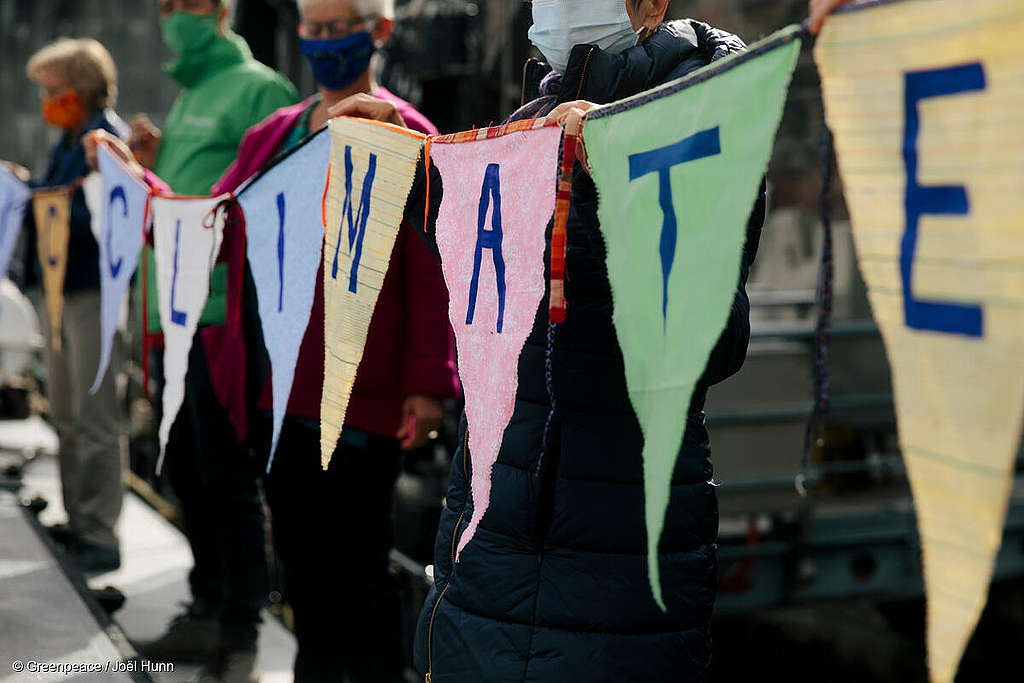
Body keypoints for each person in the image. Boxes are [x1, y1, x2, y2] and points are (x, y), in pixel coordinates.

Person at [333, 0, 764, 680]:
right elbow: (480, 245)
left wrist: (617, 176)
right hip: (489, 534)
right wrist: (409, 161)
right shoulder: (531, 119)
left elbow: (716, 335)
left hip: (612, 553)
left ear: (651, 5)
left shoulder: (702, 113)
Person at [212, 1, 458, 680]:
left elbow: (433, 268)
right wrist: (145, 191)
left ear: (379, 31)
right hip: (277, 385)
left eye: (337, 26)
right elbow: (219, 221)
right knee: (299, 560)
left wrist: (428, 381)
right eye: (312, 28)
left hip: (363, 394)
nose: (323, 42)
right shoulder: (273, 134)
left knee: (359, 567)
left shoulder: (408, 133)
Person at [128, 1, 298, 681]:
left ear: (222, 9)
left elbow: (264, 197)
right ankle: (205, 603)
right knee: (186, 466)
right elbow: (181, 195)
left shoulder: (260, 88)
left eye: (187, 3)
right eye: (166, 4)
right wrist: (149, 159)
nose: (174, 15)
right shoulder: (196, 90)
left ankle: (238, 626)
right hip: (174, 311)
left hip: (225, 314)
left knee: (225, 471)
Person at [13, 38, 129, 576]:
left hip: (92, 293)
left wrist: (43, 201)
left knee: (95, 414)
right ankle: (78, 518)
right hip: (62, 295)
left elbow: (104, 219)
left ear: (82, 88)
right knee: (65, 413)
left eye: (55, 89)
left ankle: (100, 533)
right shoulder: (69, 139)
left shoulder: (104, 141)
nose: (48, 99)